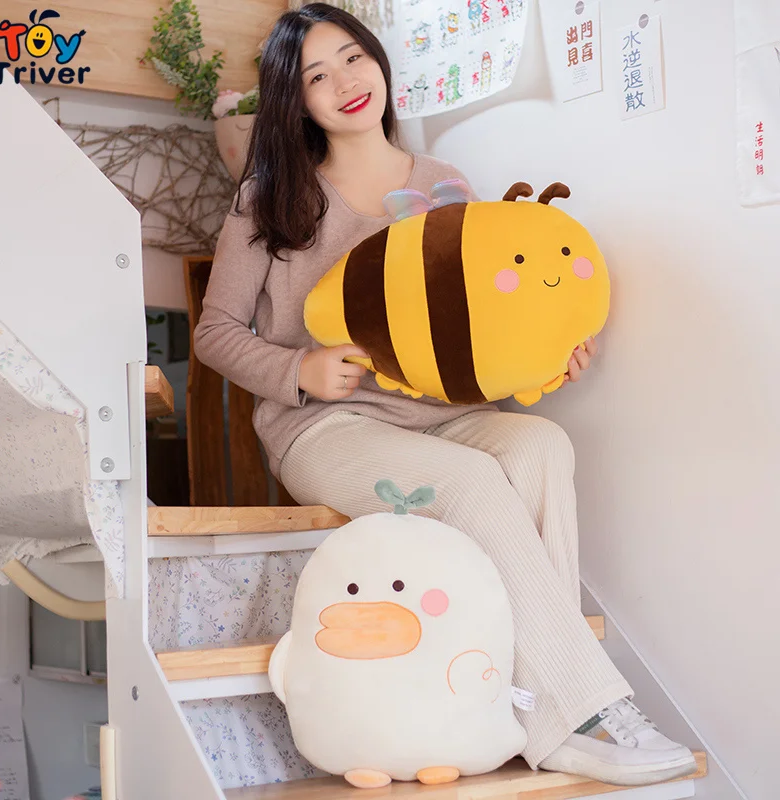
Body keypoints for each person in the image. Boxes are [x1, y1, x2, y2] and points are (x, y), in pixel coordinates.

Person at [194, 2, 696, 787]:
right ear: (298, 102)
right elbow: (214, 331)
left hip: (447, 415)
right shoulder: (269, 198)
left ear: (377, 58)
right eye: (317, 76)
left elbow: (479, 324)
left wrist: (546, 358)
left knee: (542, 445)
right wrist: (298, 371)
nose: (345, 83)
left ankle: (538, 704)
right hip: (327, 428)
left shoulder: (443, 185)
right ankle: (585, 713)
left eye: (352, 58)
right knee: (470, 484)